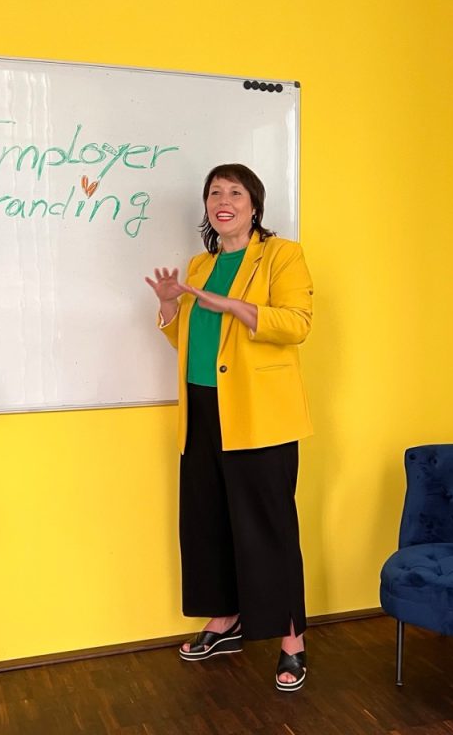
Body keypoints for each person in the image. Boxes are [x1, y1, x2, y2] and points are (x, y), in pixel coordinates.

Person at [145, 163, 314, 692]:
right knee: (207, 520)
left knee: (268, 527)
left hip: (258, 415)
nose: (223, 200)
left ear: (254, 204)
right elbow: (193, 345)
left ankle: (291, 642)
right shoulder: (200, 262)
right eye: (214, 192)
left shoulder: (281, 255)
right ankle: (225, 620)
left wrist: (232, 305)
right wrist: (172, 307)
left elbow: (297, 324)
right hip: (201, 410)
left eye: (234, 192)